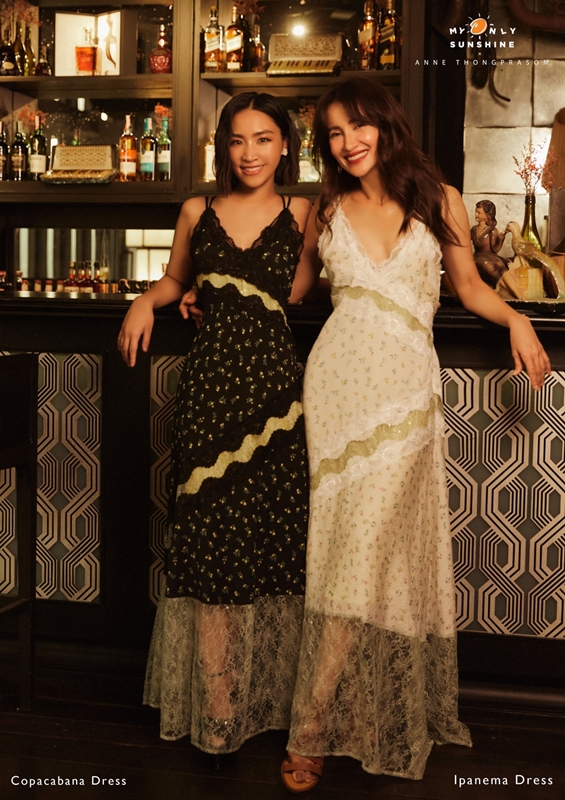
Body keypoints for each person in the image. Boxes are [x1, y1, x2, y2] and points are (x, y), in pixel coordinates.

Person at [280, 76, 551, 790]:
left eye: (358, 126)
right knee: (340, 548)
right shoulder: (325, 207)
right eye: (333, 134)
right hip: (336, 388)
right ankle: (332, 716)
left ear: (384, 123)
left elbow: (468, 288)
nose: (348, 143)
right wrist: (198, 289)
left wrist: (517, 318)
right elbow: (293, 290)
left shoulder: (440, 198)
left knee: (370, 551)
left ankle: (318, 723)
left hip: (403, 392)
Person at [118, 92, 312, 769]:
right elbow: (176, 279)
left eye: (263, 139)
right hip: (209, 395)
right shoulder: (196, 209)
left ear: (284, 145)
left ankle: (275, 702)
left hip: (277, 400)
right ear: (223, 147)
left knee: (271, 544)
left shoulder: (306, 213)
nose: (249, 152)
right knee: (208, 547)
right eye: (237, 140)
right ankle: (220, 706)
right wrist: (146, 301)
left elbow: (309, 291)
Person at [471, 199, 509, 286]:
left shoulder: (492, 231)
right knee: (489, 266)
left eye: (479, 213)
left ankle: (505, 285)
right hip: (477, 257)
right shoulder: (474, 229)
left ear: (487, 215)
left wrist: (501, 237)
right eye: (476, 212)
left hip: (490, 256)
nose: (475, 214)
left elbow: (495, 249)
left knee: (503, 265)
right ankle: (499, 284)